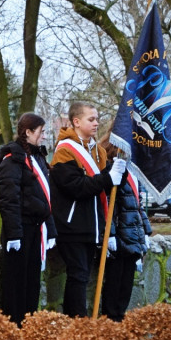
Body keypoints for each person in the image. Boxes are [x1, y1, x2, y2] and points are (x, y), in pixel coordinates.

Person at [49, 102, 126, 317]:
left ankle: (80, 322)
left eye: (97, 119)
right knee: (78, 274)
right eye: (91, 119)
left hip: (91, 224)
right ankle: (77, 322)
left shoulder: (98, 150)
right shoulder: (65, 151)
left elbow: (106, 185)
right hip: (71, 224)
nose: (96, 123)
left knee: (82, 275)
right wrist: (107, 177)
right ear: (76, 121)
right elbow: (75, 187)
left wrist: (119, 171)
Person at [0, 113, 57, 325]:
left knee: (32, 282)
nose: (44, 135)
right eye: (41, 131)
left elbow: (45, 197)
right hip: (20, 230)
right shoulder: (12, 159)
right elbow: (9, 199)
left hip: (36, 228)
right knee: (16, 283)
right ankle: (14, 329)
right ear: (28, 132)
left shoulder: (37, 157)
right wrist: (14, 233)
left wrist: (51, 229)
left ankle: (29, 328)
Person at [99, 140, 153, 322]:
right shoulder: (111, 169)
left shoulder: (133, 172)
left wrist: (146, 230)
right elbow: (108, 204)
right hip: (119, 232)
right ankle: (110, 318)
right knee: (114, 280)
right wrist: (111, 233)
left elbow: (137, 205)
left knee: (126, 281)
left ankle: (120, 316)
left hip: (132, 233)